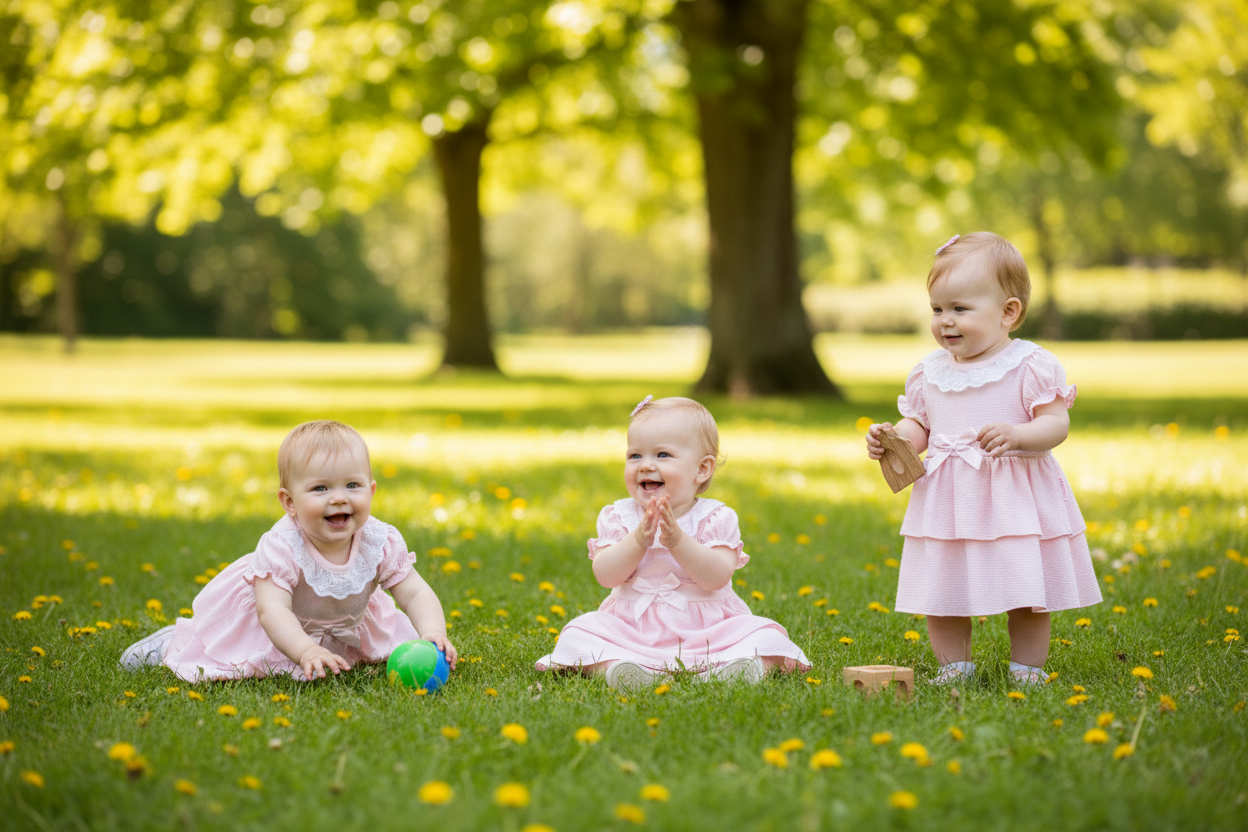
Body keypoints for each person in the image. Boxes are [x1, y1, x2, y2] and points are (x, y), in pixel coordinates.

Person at [866, 232, 1100, 686]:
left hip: (1013, 500)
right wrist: (894, 438)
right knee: (944, 590)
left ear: (1008, 312)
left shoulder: (1029, 365)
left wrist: (1019, 434)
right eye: (937, 309)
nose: (945, 321)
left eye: (960, 309)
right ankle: (955, 668)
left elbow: (1056, 424)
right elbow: (921, 426)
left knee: (1026, 589)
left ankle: (1027, 669)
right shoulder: (930, 372)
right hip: (948, 500)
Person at [120, 420, 457, 682]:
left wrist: (433, 633)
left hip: (343, 623)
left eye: (352, 485)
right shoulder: (282, 547)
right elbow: (273, 611)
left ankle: (328, 648)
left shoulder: (379, 540)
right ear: (289, 502)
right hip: (276, 627)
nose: (339, 497)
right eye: (320, 488)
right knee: (225, 663)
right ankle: (174, 641)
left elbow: (415, 593)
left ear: (371, 490)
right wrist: (306, 650)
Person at [536, 396, 811, 690]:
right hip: (632, 628)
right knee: (579, 634)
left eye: (663, 455)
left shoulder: (715, 517)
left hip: (708, 629)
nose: (645, 465)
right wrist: (637, 541)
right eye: (635, 456)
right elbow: (605, 575)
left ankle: (735, 669)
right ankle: (621, 670)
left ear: (702, 469)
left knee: (765, 638)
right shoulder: (618, 516)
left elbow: (716, 577)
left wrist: (678, 541)